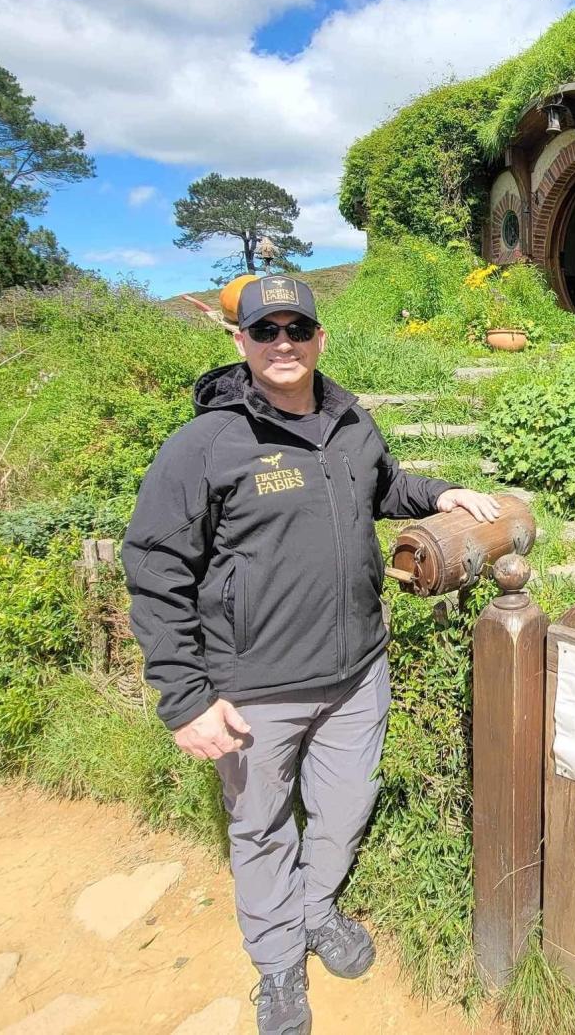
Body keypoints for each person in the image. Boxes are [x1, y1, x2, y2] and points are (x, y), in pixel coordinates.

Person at [121, 275, 498, 1035]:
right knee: (261, 828)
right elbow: (156, 566)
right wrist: (186, 699)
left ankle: (316, 910)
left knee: (346, 807)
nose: (284, 342)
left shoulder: (350, 421)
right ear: (241, 343)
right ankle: (278, 966)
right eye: (267, 331)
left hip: (358, 671)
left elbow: (384, 487)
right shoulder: (206, 443)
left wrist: (442, 492)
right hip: (255, 688)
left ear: (321, 337)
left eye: (298, 328)